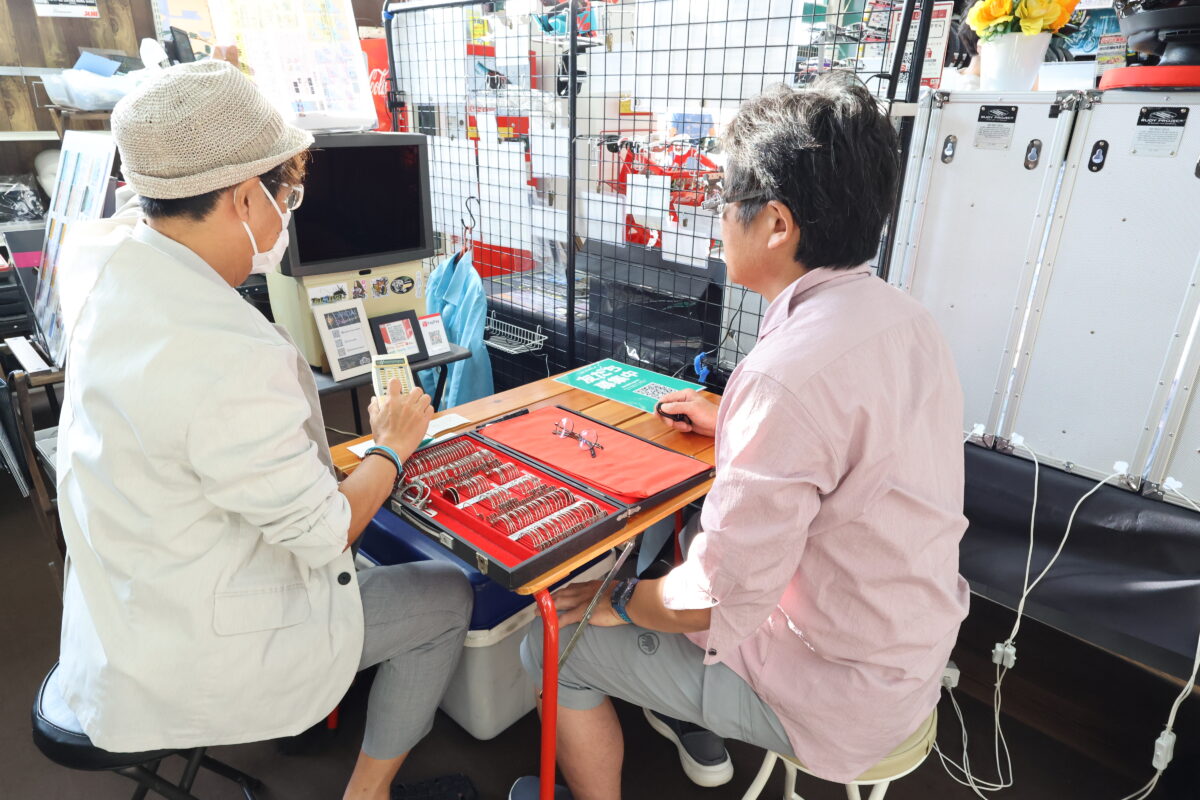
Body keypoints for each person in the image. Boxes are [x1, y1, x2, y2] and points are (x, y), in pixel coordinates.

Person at [521, 75, 970, 800]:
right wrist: (737, 417)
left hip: (831, 693)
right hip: (907, 656)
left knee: (550, 645)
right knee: (688, 543)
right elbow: (855, 454)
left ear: (777, 224)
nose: (718, 215)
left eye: (727, 198)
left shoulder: (786, 376)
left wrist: (620, 599)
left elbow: (711, 600)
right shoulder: (905, 319)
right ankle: (679, 707)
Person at [54, 60, 473, 800]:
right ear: (246, 196)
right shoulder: (225, 352)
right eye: (287, 194)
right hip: (199, 648)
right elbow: (325, 534)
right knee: (446, 594)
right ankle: (367, 793)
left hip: (125, 611)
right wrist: (391, 444)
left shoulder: (104, 268)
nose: (288, 213)